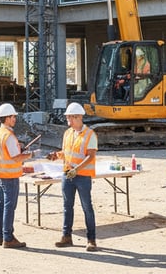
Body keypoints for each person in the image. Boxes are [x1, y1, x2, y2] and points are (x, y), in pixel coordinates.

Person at [46, 102, 98, 252]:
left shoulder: (90, 134)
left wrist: (76, 170)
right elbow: (67, 152)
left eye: (70, 117)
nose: (67, 120)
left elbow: (90, 156)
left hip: (82, 176)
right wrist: (56, 155)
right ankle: (66, 236)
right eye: (67, 117)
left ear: (78, 117)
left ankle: (91, 239)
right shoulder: (68, 133)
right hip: (68, 174)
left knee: (87, 207)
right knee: (67, 207)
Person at [0, 102, 31, 249]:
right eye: (13, 116)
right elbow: (16, 158)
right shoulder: (8, 135)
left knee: (0, 205)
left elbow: (5, 153)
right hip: (10, 176)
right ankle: (8, 237)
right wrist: (30, 155)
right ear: (7, 118)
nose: (15, 119)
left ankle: (0, 236)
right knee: (9, 207)